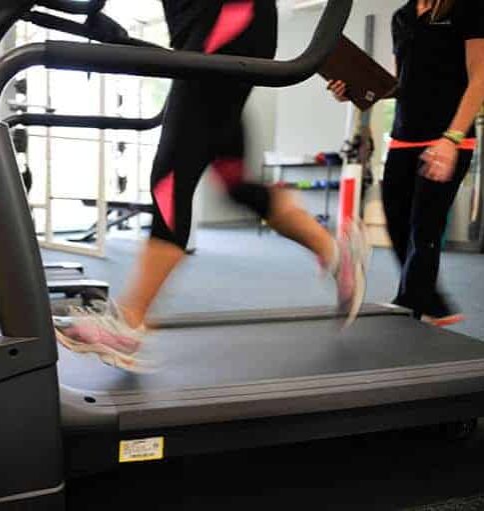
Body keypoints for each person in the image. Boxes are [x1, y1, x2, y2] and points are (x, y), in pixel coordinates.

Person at [54, 0, 369, 372]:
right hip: (225, 26)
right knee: (234, 181)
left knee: (170, 181)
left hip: (229, 20)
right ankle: (336, 252)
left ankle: (129, 321)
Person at [328, 0, 484, 327]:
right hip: (403, 137)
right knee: (396, 221)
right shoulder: (402, 16)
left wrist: (452, 139)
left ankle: (414, 306)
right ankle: (432, 303)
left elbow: (480, 78)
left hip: (446, 137)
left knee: (424, 226)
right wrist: (353, 89)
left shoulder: (468, 9)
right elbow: (402, 85)